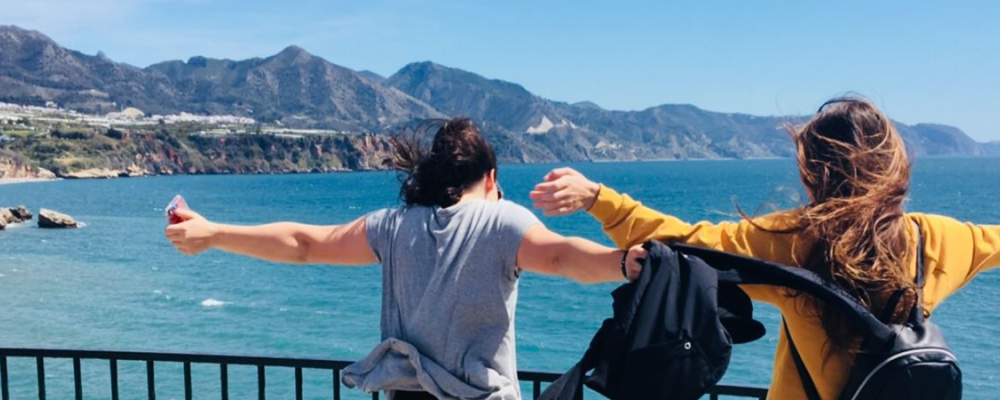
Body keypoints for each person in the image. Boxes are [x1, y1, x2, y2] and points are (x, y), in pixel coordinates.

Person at [530, 98, 1000, 399]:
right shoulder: (934, 238)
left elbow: (686, 246)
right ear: (895, 165)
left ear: (810, 170)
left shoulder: (794, 240)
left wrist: (599, 200)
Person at [166, 117, 644, 400]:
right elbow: (561, 258)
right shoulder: (503, 222)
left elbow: (304, 243)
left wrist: (212, 233)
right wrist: (623, 263)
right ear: (492, 177)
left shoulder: (394, 226)